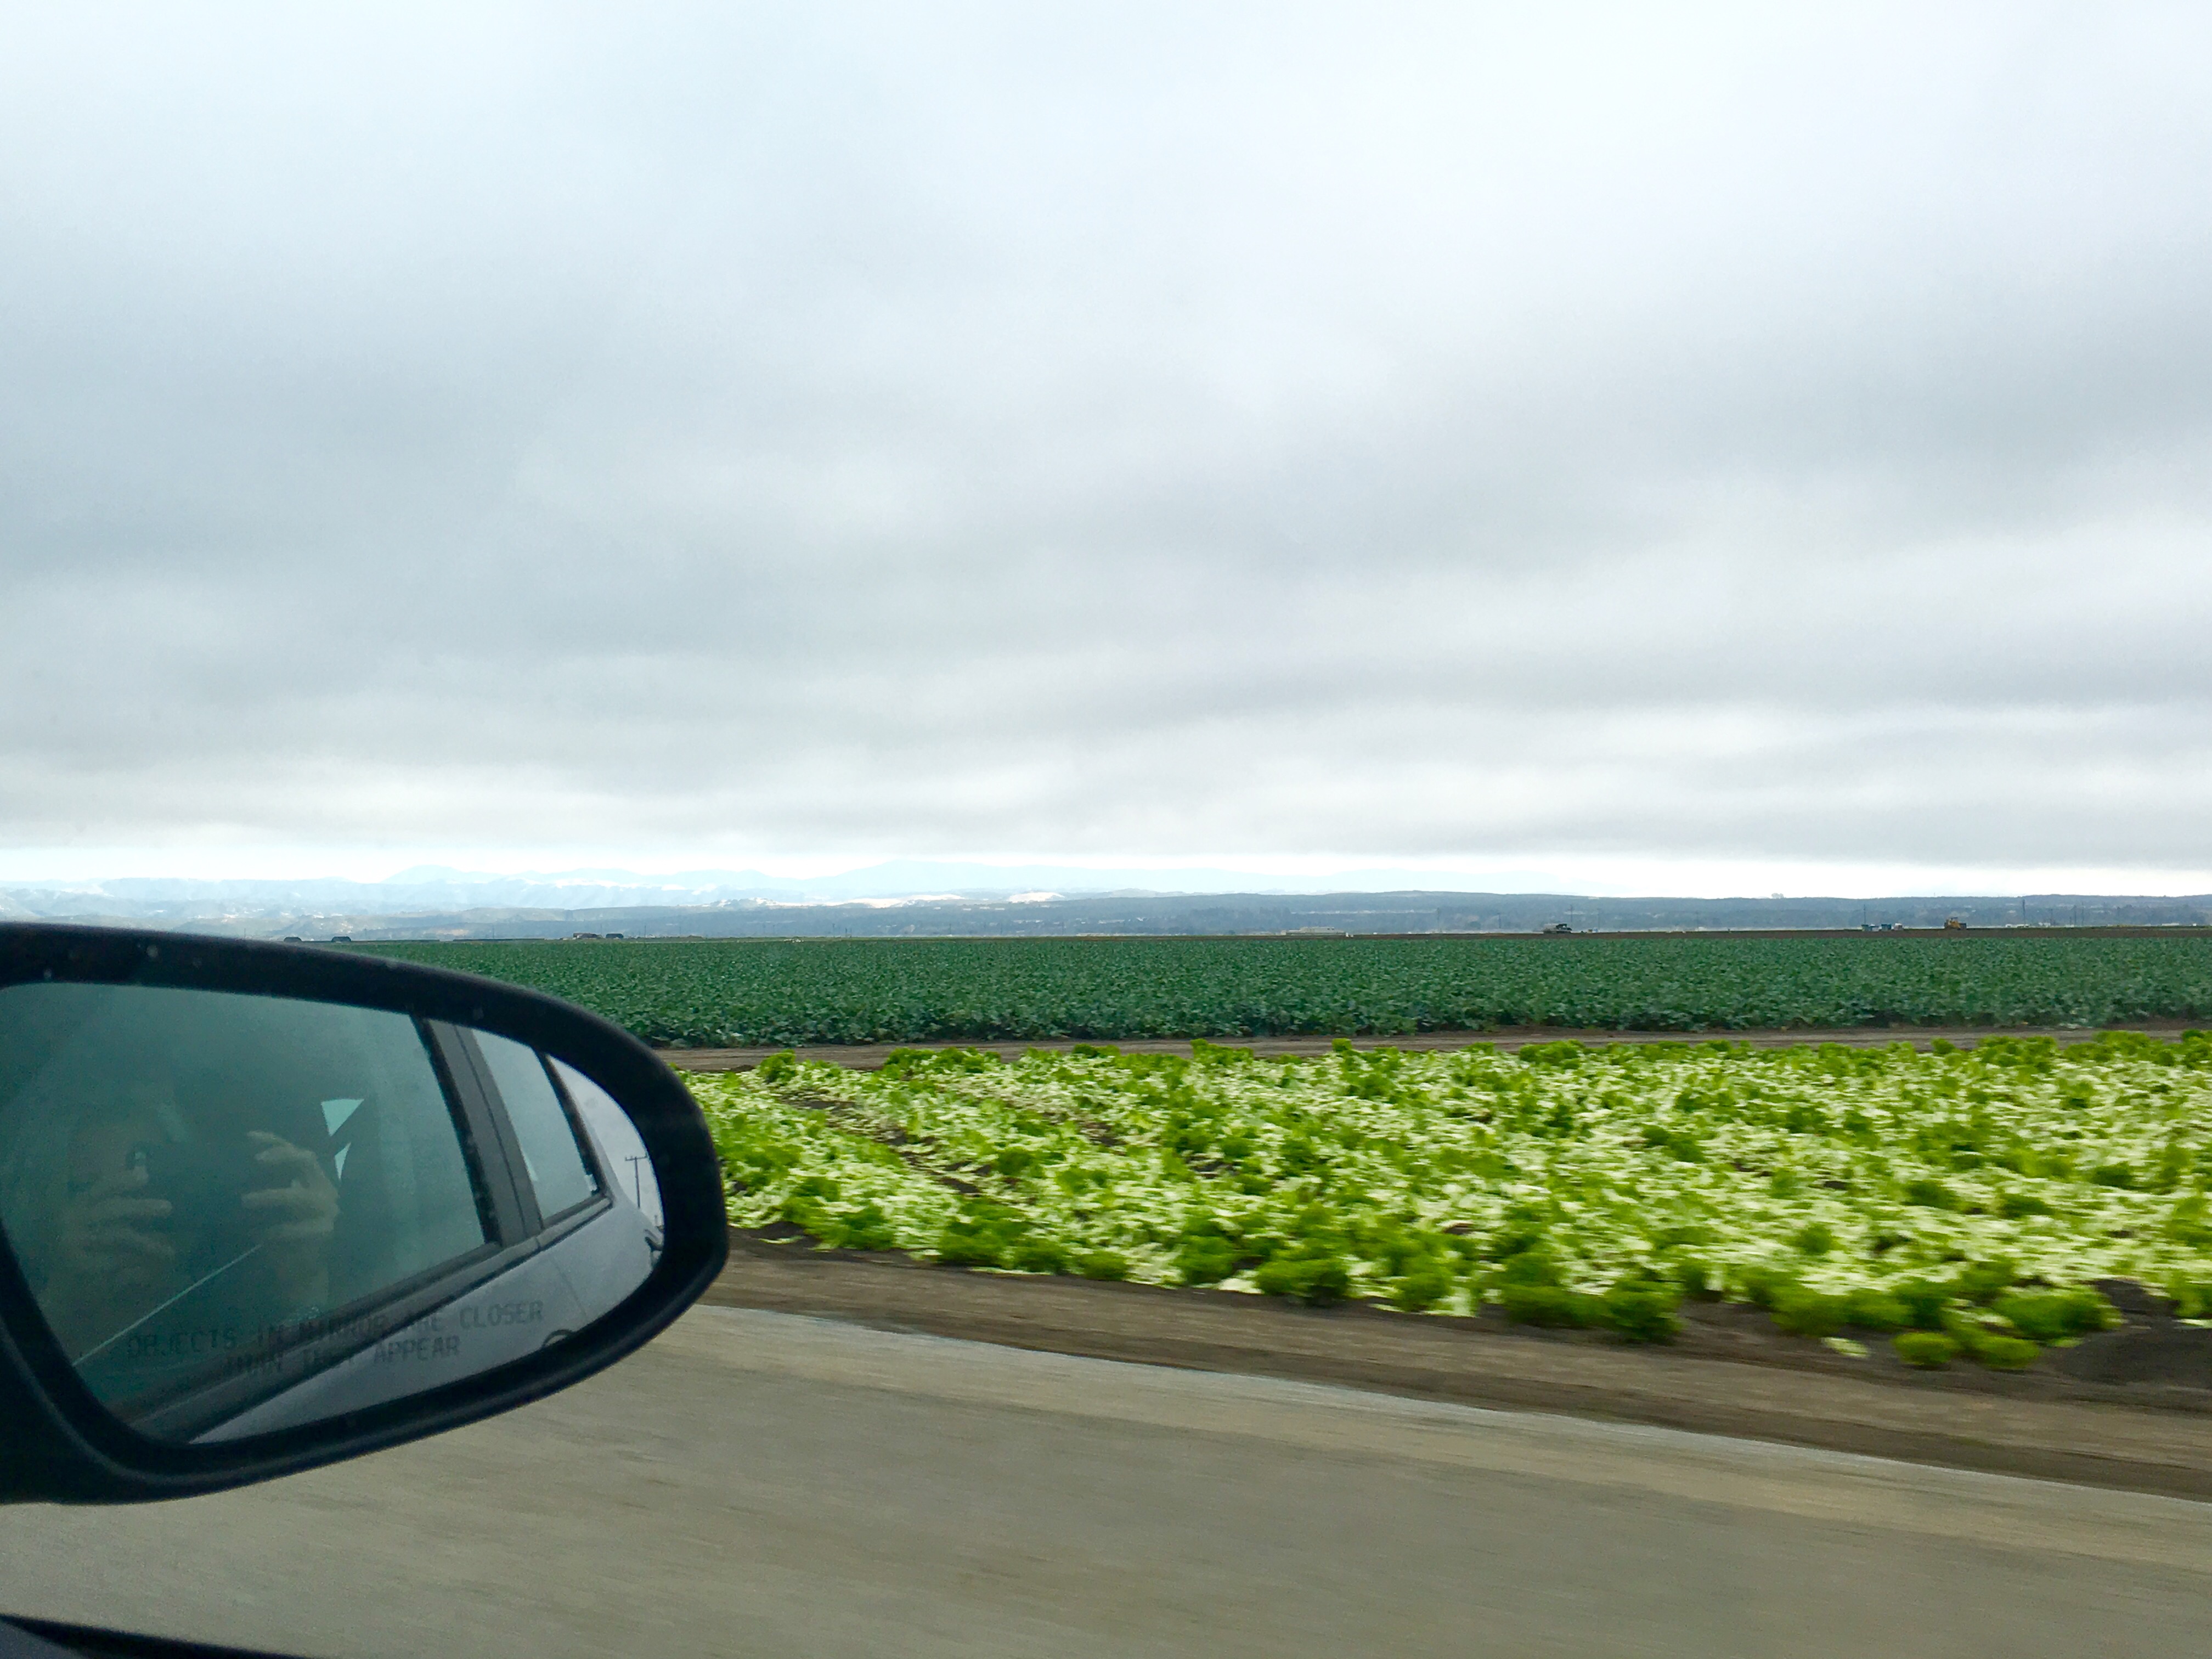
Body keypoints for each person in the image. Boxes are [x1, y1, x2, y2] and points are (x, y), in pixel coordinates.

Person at [30, 1070, 338, 1409]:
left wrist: (305, 1281)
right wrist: (61, 1303)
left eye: (151, 1180)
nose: (127, 1209)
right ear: (45, 1208)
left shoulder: (231, 1316)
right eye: (93, 1190)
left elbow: (305, 1386)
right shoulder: (23, 1315)